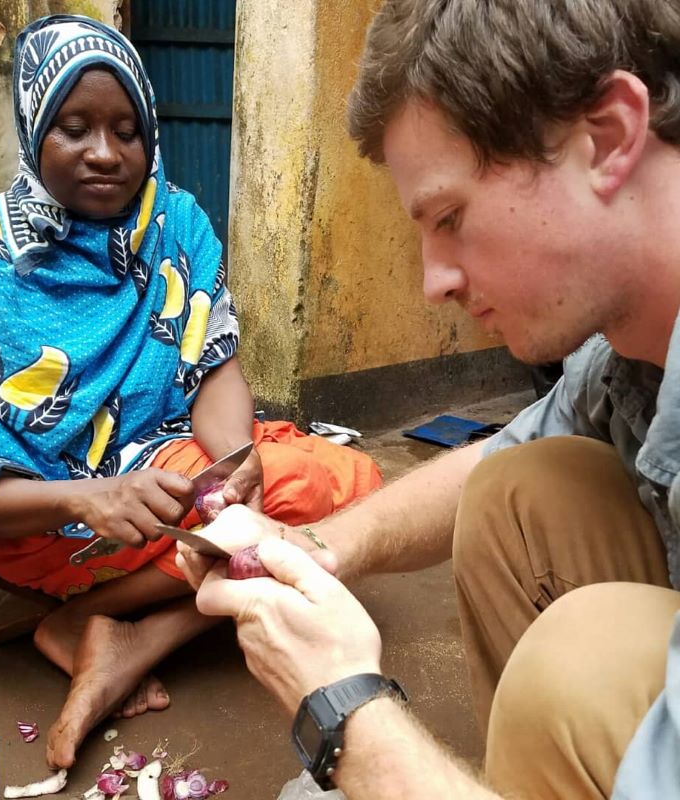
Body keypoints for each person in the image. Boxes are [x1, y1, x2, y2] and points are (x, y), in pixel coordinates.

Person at [178, 0, 680, 797]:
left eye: (451, 218)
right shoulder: (631, 347)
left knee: (579, 663)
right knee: (525, 487)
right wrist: (316, 548)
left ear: (610, 137)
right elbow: (505, 451)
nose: (433, 280)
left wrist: (345, 711)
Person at [0, 15, 382, 770]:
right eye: (74, 128)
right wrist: (87, 499)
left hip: (159, 481)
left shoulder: (173, 221)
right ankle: (110, 617)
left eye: (127, 130)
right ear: (32, 130)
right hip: (32, 519)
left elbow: (211, 364)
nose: (107, 154)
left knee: (348, 489)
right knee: (286, 538)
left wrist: (237, 463)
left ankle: (107, 627)